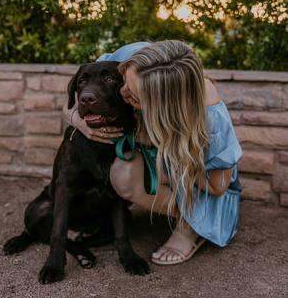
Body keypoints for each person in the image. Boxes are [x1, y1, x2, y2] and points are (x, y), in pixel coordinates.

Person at [64, 40, 242, 265]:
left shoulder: (210, 116)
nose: (123, 92)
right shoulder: (133, 56)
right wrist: (77, 120)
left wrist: (168, 146)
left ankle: (190, 226)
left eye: (135, 98)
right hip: (160, 158)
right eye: (125, 81)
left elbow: (218, 187)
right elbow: (72, 99)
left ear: (165, 105)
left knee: (150, 170)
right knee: (122, 173)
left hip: (202, 185)